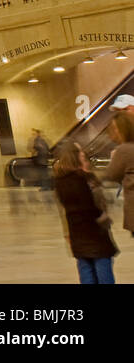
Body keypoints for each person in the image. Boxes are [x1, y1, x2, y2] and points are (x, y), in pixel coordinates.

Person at [53, 141, 117, 284]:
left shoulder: (60, 181)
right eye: (79, 151)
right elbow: (96, 205)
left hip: (76, 232)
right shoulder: (85, 180)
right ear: (74, 156)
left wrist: (66, 233)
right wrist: (104, 218)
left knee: (85, 269)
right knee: (103, 270)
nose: (83, 153)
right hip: (95, 233)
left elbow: (63, 211)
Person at [102, 112, 134, 238]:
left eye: (115, 129)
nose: (113, 133)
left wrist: (113, 158)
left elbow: (112, 175)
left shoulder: (124, 149)